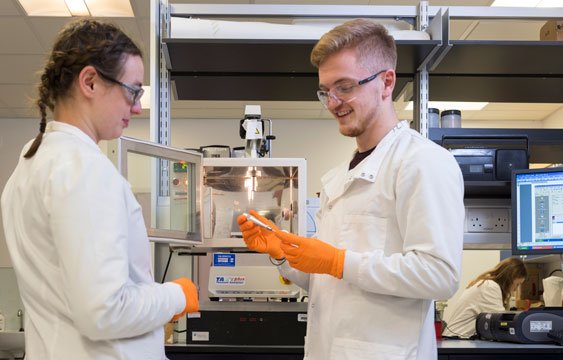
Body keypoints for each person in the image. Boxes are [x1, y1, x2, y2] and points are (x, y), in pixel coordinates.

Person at [238, 18, 464, 360]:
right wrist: (281, 252)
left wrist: (337, 261)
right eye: (325, 91)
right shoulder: (343, 173)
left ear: (386, 82)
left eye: (344, 87)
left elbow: (439, 275)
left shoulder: (422, 162)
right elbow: (331, 283)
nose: (333, 102)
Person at [1, 19, 198, 359]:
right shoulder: (86, 170)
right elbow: (105, 312)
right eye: (133, 90)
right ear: (90, 81)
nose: (136, 107)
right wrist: (177, 295)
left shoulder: (29, 165)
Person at [442, 257, 527, 339]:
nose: (516, 289)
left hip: (458, 338)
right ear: (509, 278)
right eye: (517, 284)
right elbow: (500, 323)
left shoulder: (486, 283)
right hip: (459, 339)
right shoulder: (490, 286)